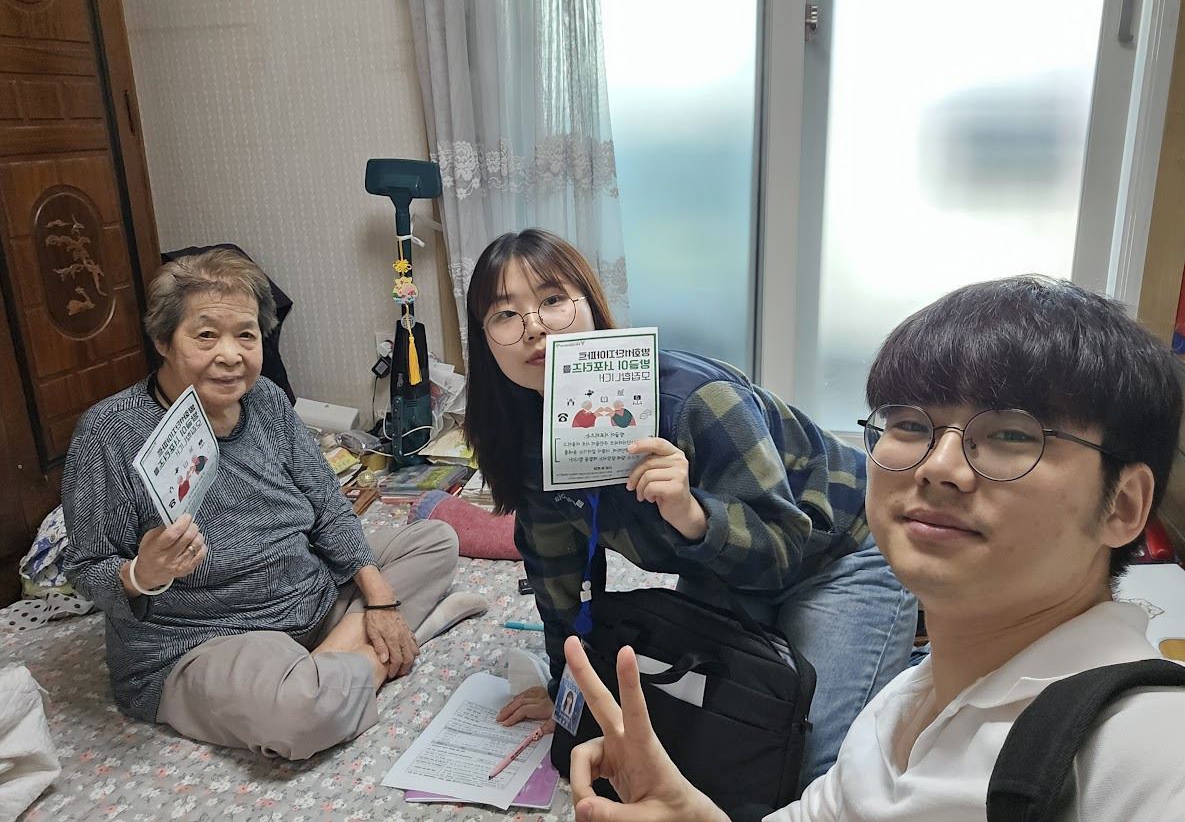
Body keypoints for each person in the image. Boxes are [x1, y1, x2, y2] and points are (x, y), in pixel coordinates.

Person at [562, 275, 1185, 822]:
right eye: (911, 424)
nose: (939, 466)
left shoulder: (1145, 754)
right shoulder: (899, 708)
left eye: (1012, 435)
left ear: (1123, 506)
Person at [463, 229, 917, 784]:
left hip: (839, 550)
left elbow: (780, 549)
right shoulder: (533, 446)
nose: (534, 327)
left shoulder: (695, 400)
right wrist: (568, 684)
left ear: (592, 307)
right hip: (721, 567)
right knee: (697, 741)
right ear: (485, 342)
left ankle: (906, 646)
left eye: (553, 300)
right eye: (505, 315)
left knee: (808, 769)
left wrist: (692, 513)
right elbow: (557, 577)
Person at [62, 249, 486, 760]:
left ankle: (330, 664)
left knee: (436, 540)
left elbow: (327, 504)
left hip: (310, 598)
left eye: (246, 335)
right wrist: (142, 573)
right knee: (301, 717)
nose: (231, 355)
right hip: (204, 636)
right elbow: (86, 567)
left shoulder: (266, 399)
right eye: (205, 335)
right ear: (162, 341)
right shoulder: (108, 431)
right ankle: (371, 658)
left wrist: (380, 600)